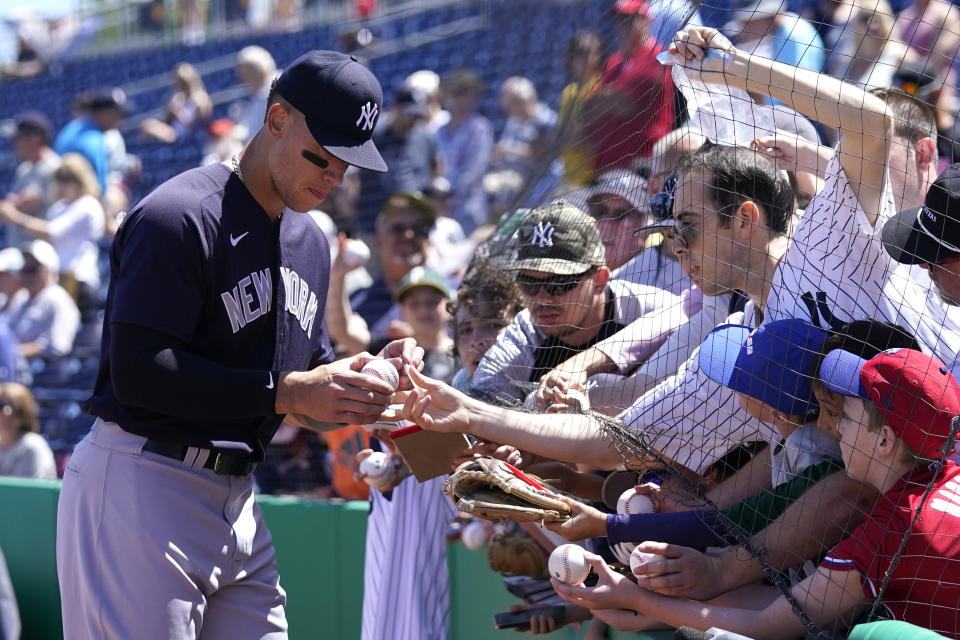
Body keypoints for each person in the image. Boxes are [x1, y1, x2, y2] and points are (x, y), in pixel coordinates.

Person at [56, 50, 423, 639]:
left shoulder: (309, 239)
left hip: (239, 499)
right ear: (275, 120)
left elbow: (306, 384)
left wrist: (367, 375)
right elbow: (140, 373)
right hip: (145, 481)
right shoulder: (178, 215)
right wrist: (286, 392)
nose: (333, 177)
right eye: (320, 157)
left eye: (345, 165)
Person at [550, 348, 960, 639]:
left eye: (849, 418)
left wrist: (629, 598)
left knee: (867, 635)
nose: (837, 429)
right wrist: (638, 606)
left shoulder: (891, 526)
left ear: (885, 440)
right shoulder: (947, 475)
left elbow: (769, 626)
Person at [470, 201, 678, 406]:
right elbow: (479, 405)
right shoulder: (523, 335)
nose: (542, 299)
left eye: (559, 283)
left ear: (599, 280)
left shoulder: (651, 309)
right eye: (529, 283)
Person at [581, 0, 674, 172]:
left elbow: (627, 106)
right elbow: (594, 105)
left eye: (630, 20)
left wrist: (604, 99)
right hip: (607, 162)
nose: (623, 26)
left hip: (643, 164)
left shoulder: (658, 57)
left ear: (647, 20)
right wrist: (604, 99)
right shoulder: (614, 61)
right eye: (619, 20)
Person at [0, 153, 106, 303]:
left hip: (80, 279)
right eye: (60, 178)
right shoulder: (57, 208)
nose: (64, 183)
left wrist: (15, 217)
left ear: (81, 178)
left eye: (69, 177)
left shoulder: (88, 205)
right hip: (57, 279)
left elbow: (52, 233)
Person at [354, 88, 442, 235]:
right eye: (410, 113)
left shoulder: (425, 137)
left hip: (411, 227)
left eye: (418, 115)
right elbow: (352, 173)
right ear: (395, 107)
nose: (413, 120)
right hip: (372, 225)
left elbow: (436, 168)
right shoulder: (373, 134)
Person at [586, 168, 687, 293]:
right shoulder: (565, 272)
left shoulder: (665, 286)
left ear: (646, 226)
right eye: (600, 211)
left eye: (622, 215)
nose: (607, 224)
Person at [436, 69, 493, 235]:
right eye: (456, 93)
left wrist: (448, 193)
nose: (461, 99)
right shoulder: (439, 131)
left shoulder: (479, 127)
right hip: (442, 209)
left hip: (469, 209)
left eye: (466, 94)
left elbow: (475, 168)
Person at [5, 240, 79, 360]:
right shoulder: (21, 297)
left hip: (42, 372)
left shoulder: (57, 299)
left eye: (32, 269)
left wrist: (11, 353)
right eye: (24, 269)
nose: (26, 275)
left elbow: (57, 346)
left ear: (48, 270)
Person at [1, 111, 61, 248]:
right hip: (20, 251)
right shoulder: (25, 168)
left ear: (36, 136)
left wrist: (12, 205)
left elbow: (28, 202)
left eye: (18, 138)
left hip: (41, 253)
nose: (14, 144)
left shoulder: (53, 166)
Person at [53, 88, 127, 197]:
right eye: (117, 113)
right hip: (78, 201)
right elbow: (99, 190)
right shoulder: (94, 140)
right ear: (102, 113)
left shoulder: (72, 126)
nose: (121, 119)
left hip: (60, 197)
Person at [139, 62, 213, 144]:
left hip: (184, 134)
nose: (177, 85)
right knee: (147, 124)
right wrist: (169, 111)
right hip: (174, 130)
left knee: (150, 128)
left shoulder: (200, 98)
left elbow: (198, 124)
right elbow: (168, 120)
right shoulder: (179, 97)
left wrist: (177, 112)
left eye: (180, 82)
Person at [0, 382, 56, 480]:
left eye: (16, 408)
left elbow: (21, 493)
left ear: (25, 415)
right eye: (1, 406)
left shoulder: (32, 446)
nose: (6, 413)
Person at [230, 46, 278, 145]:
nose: (242, 80)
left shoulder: (273, 92)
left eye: (245, 74)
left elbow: (255, 134)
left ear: (258, 70)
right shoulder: (262, 92)